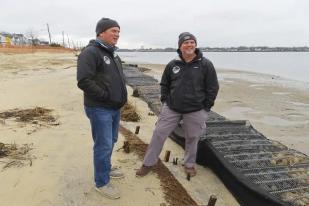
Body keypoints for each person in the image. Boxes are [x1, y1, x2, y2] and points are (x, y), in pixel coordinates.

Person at [136, 32, 219, 177]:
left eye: (192, 42)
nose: (189, 45)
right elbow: (164, 84)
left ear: (196, 45)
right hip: (172, 108)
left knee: (193, 138)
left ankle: (189, 164)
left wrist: (206, 108)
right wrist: (165, 100)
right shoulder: (173, 64)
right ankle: (148, 163)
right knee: (158, 133)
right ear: (180, 46)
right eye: (186, 43)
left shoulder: (206, 64)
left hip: (196, 109)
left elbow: (212, 87)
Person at [77, 17, 127, 199]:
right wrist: (106, 96)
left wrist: (118, 98)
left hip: (114, 108)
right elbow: (83, 80)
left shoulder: (113, 53)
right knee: (103, 145)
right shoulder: (91, 52)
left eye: (118, 32)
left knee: (111, 141)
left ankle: (105, 168)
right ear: (101, 32)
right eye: (113, 31)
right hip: (100, 108)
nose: (117, 35)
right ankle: (102, 182)